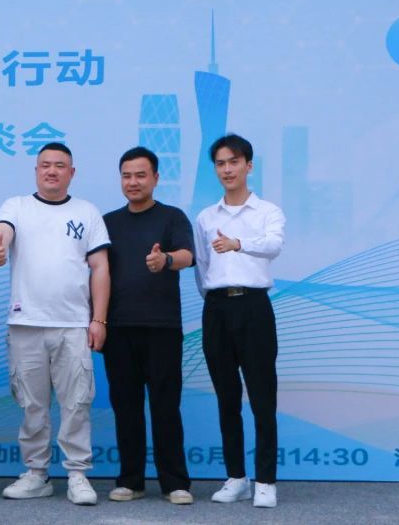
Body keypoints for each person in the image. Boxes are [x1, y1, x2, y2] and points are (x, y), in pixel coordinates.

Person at [0, 141, 110, 506]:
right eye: (45, 165)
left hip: (73, 324)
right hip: (26, 323)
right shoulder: (17, 206)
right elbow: (2, 231)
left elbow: (100, 267)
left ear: (72, 172)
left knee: (77, 403)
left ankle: (77, 474)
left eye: (59, 165)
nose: (52, 171)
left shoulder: (87, 212)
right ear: (36, 170)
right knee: (32, 405)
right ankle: (36, 473)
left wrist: (98, 319)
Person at [194, 133, 285, 508]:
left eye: (234, 162)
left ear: (249, 166)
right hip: (217, 309)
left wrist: (238, 244)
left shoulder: (267, 212)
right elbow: (202, 267)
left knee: (263, 398)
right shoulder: (206, 217)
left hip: (254, 308)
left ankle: (265, 480)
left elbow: (274, 245)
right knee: (226, 398)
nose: (227, 169)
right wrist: (215, 301)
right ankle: (236, 477)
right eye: (220, 163)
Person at [101, 147, 194, 505]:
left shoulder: (172, 217)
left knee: (165, 406)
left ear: (155, 178)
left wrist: (165, 259)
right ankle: (131, 480)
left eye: (141, 175)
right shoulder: (108, 222)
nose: (133, 182)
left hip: (162, 327)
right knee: (125, 407)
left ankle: (175, 482)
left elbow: (187, 255)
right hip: (118, 327)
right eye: (127, 175)